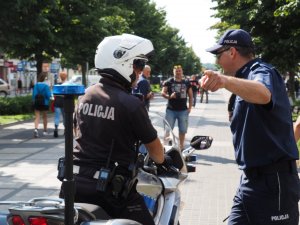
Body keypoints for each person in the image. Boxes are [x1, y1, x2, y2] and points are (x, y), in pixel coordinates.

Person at [59, 34, 170, 225]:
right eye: (139, 65)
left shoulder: (84, 96)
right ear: (124, 63)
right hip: (111, 192)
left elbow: (78, 133)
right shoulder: (131, 104)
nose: (140, 72)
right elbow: (156, 152)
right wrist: (163, 159)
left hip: (74, 185)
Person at [201, 29, 299, 225]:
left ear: (232, 52)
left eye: (219, 55)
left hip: (273, 181)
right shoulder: (244, 78)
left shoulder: (261, 71)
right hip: (250, 180)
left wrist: (224, 81)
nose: (218, 61)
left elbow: (264, 94)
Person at [161, 65, 193, 150]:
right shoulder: (168, 81)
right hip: (170, 110)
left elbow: (190, 95)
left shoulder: (187, 82)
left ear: (182, 72)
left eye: (179, 71)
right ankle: (165, 147)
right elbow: (163, 93)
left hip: (183, 110)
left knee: (182, 130)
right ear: (173, 72)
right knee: (168, 130)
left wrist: (190, 107)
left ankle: (181, 147)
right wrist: (169, 96)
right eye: (176, 71)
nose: (178, 72)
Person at [32, 72, 52, 138]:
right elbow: (48, 95)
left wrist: (33, 101)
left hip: (37, 102)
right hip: (45, 103)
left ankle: (36, 129)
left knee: (37, 116)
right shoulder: (46, 86)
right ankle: (45, 131)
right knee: (45, 117)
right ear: (45, 79)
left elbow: (34, 95)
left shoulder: (36, 85)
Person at [53, 71, 67, 137]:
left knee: (57, 117)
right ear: (66, 77)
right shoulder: (67, 85)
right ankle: (65, 130)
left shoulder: (57, 85)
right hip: (64, 102)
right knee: (65, 117)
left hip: (57, 101)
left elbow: (54, 93)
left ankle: (56, 129)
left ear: (60, 77)